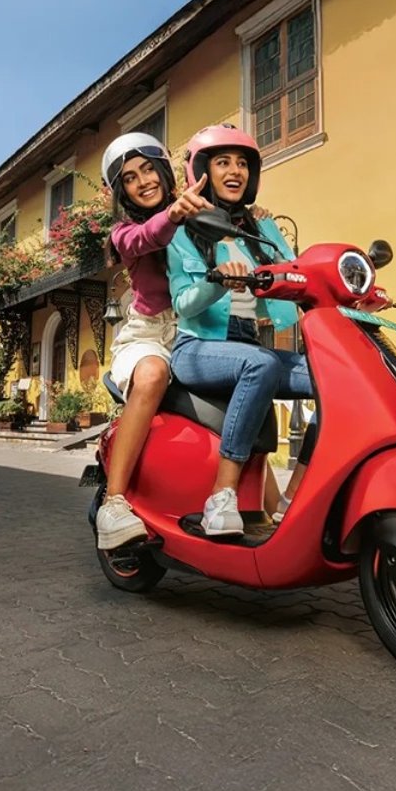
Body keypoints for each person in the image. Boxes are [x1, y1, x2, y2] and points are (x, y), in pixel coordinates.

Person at [164, 124, 317, 536]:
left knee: (337, 377)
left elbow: (297, 274)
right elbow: (182, 304)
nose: (235, 171)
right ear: (203, 171)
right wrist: (217, 282)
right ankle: (221, 495)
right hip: (198, 347)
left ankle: (294, 498)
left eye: (242, 164)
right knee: (260, 364)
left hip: (249, 342)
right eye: (223, 162)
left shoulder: (262, 228)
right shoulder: (181, 230)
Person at [94, 132, 213, 549]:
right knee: (151, 375)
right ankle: (113, 503)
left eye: (148, 169)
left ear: (163, 171)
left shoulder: (198, 213)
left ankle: (263, 509)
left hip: (195, 331)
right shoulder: (124, 233)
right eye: (129, 178)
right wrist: (175, 214)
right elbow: (148, 238)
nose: (143, 181)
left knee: (244, 391)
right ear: (122, 192)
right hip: (148, 336)